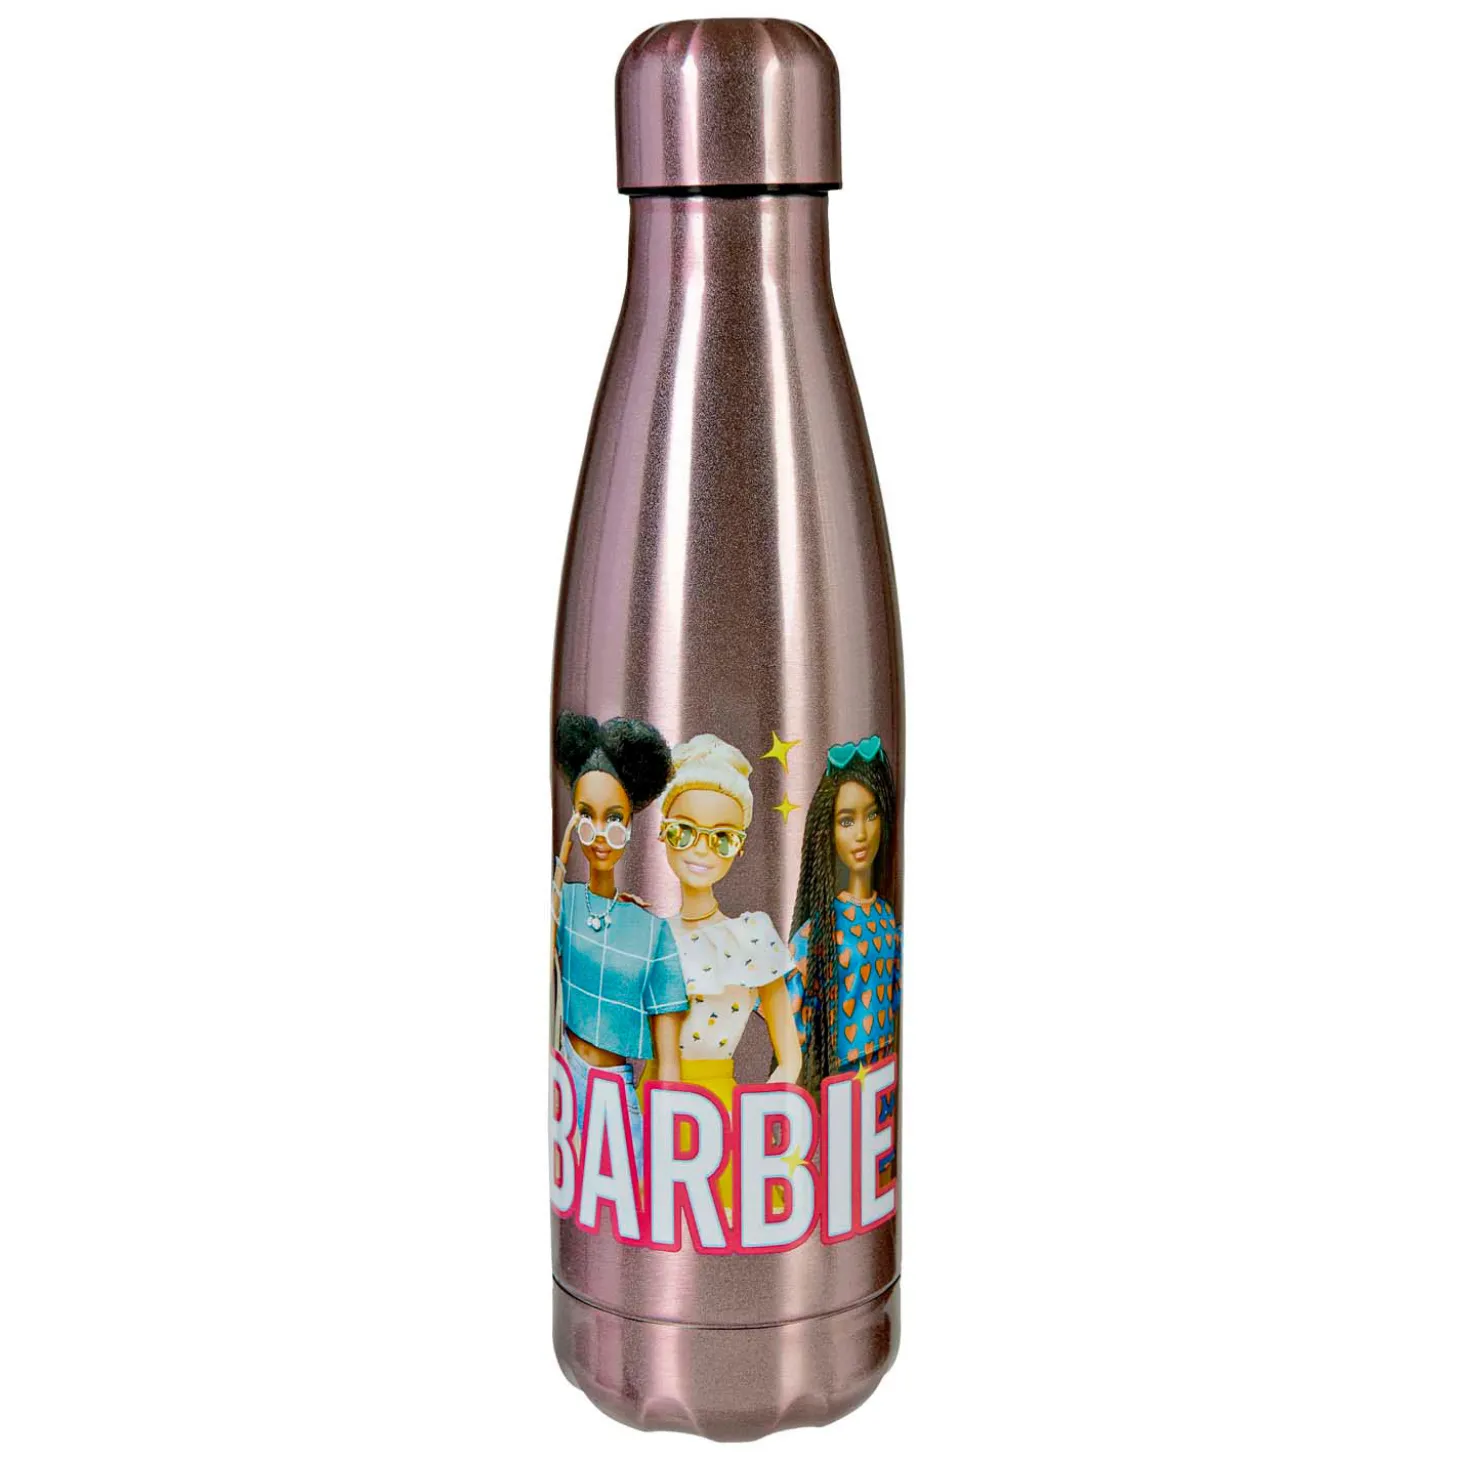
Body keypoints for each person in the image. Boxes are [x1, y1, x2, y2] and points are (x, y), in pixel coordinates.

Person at [640, 734, 801, 1207]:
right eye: (683, 832)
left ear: (739, 849)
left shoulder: (750, 936)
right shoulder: (649, 936)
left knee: (723, 1212)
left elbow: (789, 1057)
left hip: (720, 1112)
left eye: (722, 839)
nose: (701, 851)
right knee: (656, 1218)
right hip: (654, 1099)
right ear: (662, 834)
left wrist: (764, 1121)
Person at [552, 711, 687, 1168]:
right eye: (584, 817)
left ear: (630, 824)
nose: (600, 835)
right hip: (564, 1075)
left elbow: (668, 1059)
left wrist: (668, 1139)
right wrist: (562, 854)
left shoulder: (652, 932)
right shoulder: (564, 903)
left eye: (614, 819)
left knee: (630, 1191)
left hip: (615, 1089)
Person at [787, 736, 901, 1106]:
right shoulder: (818, 932)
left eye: (872, 815)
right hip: (838, 1081)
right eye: (846, 821)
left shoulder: (889, 919)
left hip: (884, 1077)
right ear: (829, 830)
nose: (862, 834)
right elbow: (790, 1030)